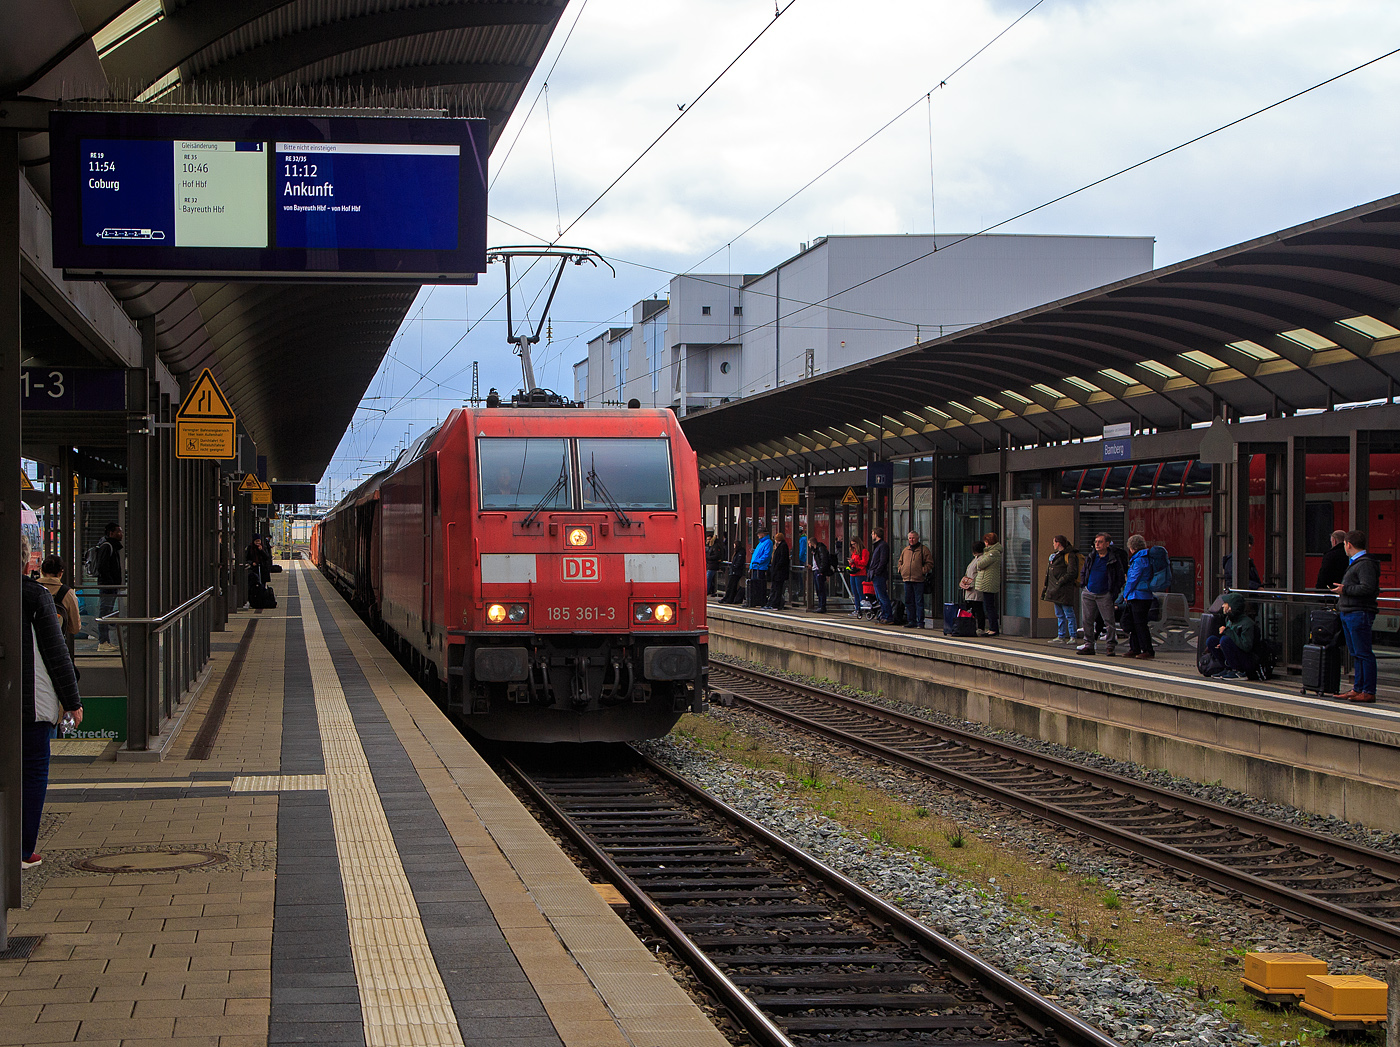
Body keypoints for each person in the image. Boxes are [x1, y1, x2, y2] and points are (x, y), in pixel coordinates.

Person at [21, 534, 82, 869]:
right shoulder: (34, 596)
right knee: (32, 770)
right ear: (27, 561)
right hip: (30, 703)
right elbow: (56, 653)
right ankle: (22, 848)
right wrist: (72, 701)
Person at [1331, 529, 1380, 702]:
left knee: (1363, 653)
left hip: (1359, 613)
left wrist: (1345, 589)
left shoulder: (1364, 563)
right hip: (1350, 612)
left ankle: (1368, 690)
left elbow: (1368, 587)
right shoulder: (1357, 563)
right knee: (1356, 653)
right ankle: (1358, 688)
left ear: (1348, 544)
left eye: (1344, 544)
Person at [1077, 532, 1126, 656]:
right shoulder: (1091, 557)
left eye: (1100, 542)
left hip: (1105, 593)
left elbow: (1120, 577)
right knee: (1087, 620)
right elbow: (1084, 571)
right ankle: (1089, 645)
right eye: (1096, 542)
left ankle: (1110, 646)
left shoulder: (1113, 559)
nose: (1097, 544)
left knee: (1109, 620)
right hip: (1089, 591)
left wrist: (1113, 592)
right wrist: (1084, 584)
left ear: (1107, 544)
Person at [1204, 592, 1259, 680]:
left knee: (1225, 640)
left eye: (1225, 604)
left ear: (1231, 607)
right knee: (1211, 640)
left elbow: (1246, 646)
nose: (1222, 606)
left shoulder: (1247, 624)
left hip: (1246, 659)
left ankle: (1238, 671)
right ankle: (1227, 668)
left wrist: (1227, 633)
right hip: (1235, 652)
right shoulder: (1229, 620)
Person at [1119, 534, 1156, 659]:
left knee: (1140, 624)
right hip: (1144, 595)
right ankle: (1135, 648)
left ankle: (1147, 649)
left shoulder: (1139, 560)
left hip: (1138, 596)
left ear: (1132, 548)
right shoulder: (1146, 557)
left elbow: (1133, 579)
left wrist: (1126, 593)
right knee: (1136, 623)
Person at [1042, 536, 1080, 644]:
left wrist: (1060, 581)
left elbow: (1072, 572)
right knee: (1059, 613)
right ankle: (1061, 635)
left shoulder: (1069, 555)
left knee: (1068, 613)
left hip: (1063, 588)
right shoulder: (1056, 556)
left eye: (1054, 542)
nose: (1053, 545)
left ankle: (1072, 635)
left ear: (1058, 543)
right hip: (1056, 588)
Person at [94, 521, 123, 652]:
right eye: (118, 531)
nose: (121, 534)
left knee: (108, 613)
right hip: (107, 586)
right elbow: (103, 567)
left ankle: (106, 640)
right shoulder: (107, 547)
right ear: (111, 533)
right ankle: (103, 641)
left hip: (111, 586)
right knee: (104, 613)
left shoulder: (112, 546)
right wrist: (110, 583)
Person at [898, 530, 934, 629]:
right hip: (907, 579)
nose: (911, 540)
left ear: (917, 538)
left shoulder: (923, 549)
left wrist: (922, 571)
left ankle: (920, 622)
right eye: (910, 538)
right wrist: (901, 569)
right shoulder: (906, 550)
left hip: (918, 580)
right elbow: (900, 561)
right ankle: (911, 621)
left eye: (913, 538)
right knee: (909, 601)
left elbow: (930, 563)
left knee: (919, 601)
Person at [38, 555, 81, 638]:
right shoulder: (68, 593)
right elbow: (75, 628)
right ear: (61, 573)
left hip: (33, 643)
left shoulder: (32, 589)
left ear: (42, 571)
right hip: (56, 642)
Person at [972, 532, 1002, 636]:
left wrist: (984, 554)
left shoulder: (993, 553)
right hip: (987, 582)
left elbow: (980, 564)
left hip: (989, 582)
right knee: (988, 605)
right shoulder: (991, 552)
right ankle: (992, 628)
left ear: (988, 542)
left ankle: (993, 628)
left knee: (989, 606)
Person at [960, 541, 987, 633]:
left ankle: (980, 627)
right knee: (972, 608)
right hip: (971, 586)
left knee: (978, 607)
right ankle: (972, 626)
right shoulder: (976, 559)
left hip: (975, 586)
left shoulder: (980, 560)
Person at [868, 528, 892, 622]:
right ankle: (883, 615)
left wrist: (877, 571)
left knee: (882, 596)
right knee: (879, 596)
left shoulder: (882, 546)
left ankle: (887, 616)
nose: (871, 535)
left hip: (879, 575)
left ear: (876, 534)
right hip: (876, 574)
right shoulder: (878, 546)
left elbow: (883, 561)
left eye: (872, 533)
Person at [766, 532, 791, 610]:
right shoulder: (781, 546)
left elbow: (782, 559)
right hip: (777, 572)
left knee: (777, 588)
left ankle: (775, 604)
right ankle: (772, 603)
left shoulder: (782, 547)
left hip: (779, 572)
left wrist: (776, 567)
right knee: (775, 588)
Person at [748, 531, 773, 608]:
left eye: (759, 534)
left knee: (759, 585)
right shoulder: (761, 543)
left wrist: (758, 561)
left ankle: (760, 600)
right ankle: (755, 600)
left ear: (763, 534)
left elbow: (766, 555)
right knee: (754, 585)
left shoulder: (767, 542)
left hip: (760, 567)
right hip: (755, 566)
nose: (758, 536)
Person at [809, 535, 833, 612]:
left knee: (821, 589)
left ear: (812, 543)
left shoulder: (820, 549)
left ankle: (822, 606)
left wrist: (821, 571)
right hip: (816, 570)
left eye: (809, 544)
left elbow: (823, 560)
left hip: (819, 571)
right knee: (818, 589)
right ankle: (820, 605)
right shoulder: (815, 550)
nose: (809, 545)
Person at [721, 535, 747, 604]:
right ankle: (727, 598)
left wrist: (734, 567)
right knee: (731, 586)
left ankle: (729, 599)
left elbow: (739, 562)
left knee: (732, 586)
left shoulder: (740, 553)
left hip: (736, 572)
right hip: (734, 571)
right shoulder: (738, 552)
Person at [847, 540, 869, 617]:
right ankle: (857, 608)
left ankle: (863, 608)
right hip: (853, 573)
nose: (853, 546)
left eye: (854, 544)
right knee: (855, 592)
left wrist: (855, 561)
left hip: (860, 573)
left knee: (860, 592)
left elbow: (864, 562)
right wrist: (851, 562)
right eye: (852, 544)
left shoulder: (864, 551)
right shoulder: (854, 552)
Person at [705, 532, 725, 597]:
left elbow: (717, 555)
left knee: (708, 579)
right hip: (710, 565)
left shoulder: (715, 547)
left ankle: (706, 591)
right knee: (709, 579)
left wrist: (708, 558)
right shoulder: (709, 547)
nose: (708, 541)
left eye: (709, 539)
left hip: (712, 565)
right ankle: (710, 591)